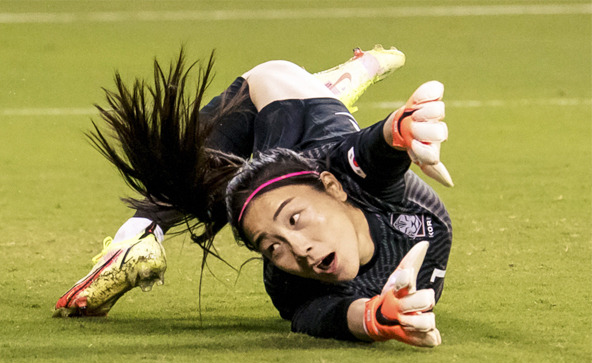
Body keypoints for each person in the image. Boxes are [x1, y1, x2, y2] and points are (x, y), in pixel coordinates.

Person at [54, 46, 453, 347]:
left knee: (211, 163)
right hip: (285, 147)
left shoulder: (336, 174)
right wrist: (400, 129)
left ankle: (139, 231)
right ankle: (140, 230)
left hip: (301, 134)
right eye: (272, 247)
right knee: (214, 171)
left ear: (334, 187)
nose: (297, 250)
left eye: (294, 221)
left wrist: (398, 129)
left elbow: (371, 155)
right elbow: (379, 158)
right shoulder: (410, 223)